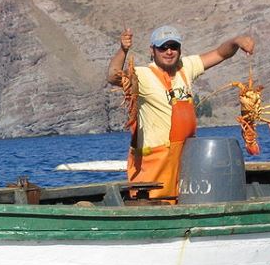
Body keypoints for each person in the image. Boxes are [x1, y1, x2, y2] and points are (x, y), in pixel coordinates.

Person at [107, 25, 255, 201]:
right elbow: (113, 76)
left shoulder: (186, 67)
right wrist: (123, 50)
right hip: (155, 161)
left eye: (173, 47)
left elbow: (221, 53)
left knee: (187, 200)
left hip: (187, 158)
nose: (169, 51)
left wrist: (236, 41)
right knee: (154, 204)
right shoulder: (141, 74)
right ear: (152, 50)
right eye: (163, 47)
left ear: (179, 49)